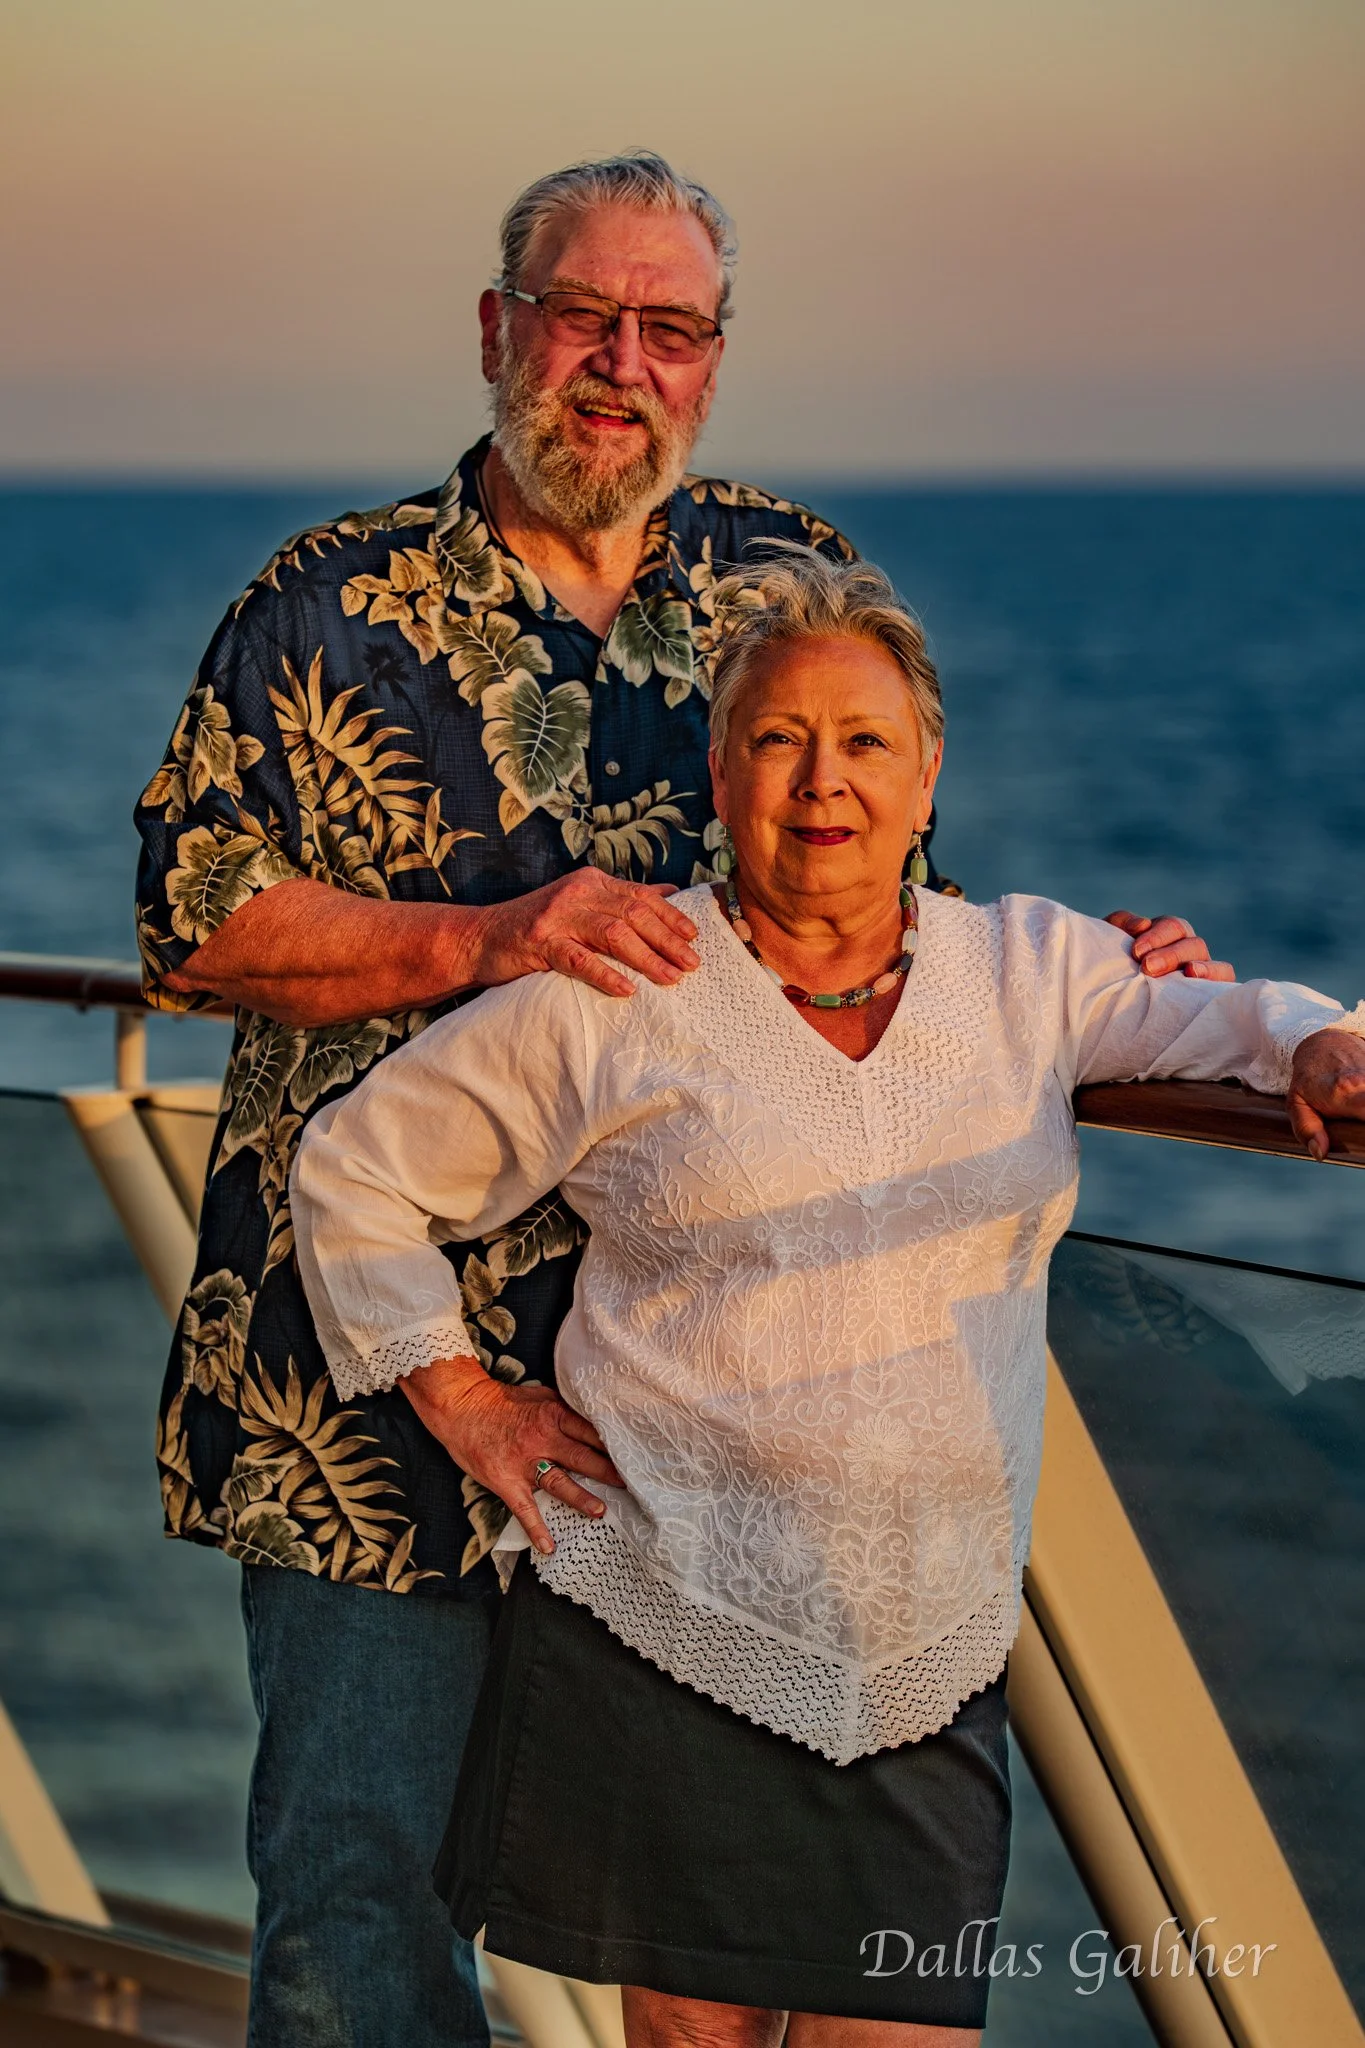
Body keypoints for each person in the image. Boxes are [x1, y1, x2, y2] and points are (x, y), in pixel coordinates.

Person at [133, 153, 1230, 2047]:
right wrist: (491, 939)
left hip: (701, 1442)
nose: (618, 364)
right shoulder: (326, 606)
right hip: (363, 1381)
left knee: (693, 1971)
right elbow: (189, 924)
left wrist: (1124, 983)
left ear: (713, 360)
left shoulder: (776, 576)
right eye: (582, 317)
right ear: (500, 332)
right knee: (359, 1894)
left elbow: (881, 882)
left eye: (669, 328)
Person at [289, 546, 1365, 2048]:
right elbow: (355, 1167)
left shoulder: (1034, 971)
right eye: (781, 743)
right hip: (667, 1619)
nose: (823, 782)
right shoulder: (619, 991)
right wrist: (463, 1402)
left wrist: (1317, 1044)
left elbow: (1233, 1018)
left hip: (928, 1644)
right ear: (723, 780)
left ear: (928, 782)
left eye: (865, 744)